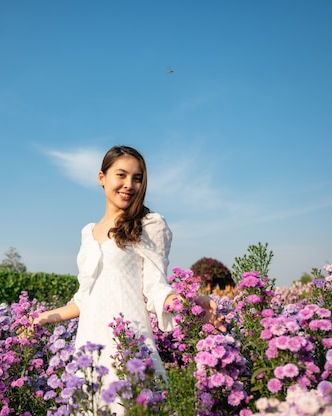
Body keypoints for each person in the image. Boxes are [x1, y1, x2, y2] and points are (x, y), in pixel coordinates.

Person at [31, 145, 215, 414]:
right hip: (89, 345)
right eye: (121, 175)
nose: (129, 185)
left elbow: (155, 287)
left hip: (129, 344)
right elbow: (84, 298)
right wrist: (41, 318)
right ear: (101, 177)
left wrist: (185, 302)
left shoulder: (150, 224)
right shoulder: (87, 233)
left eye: (137, 178)